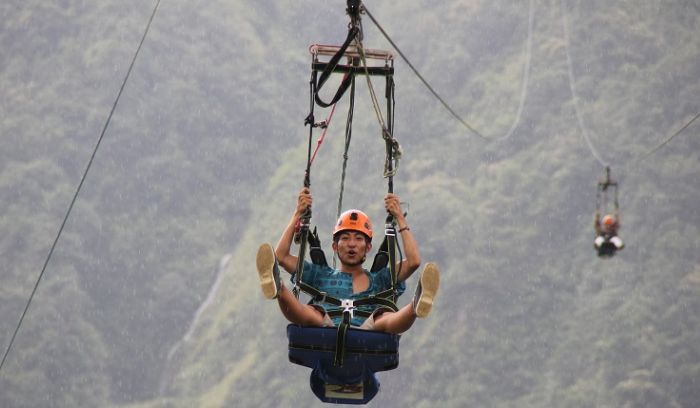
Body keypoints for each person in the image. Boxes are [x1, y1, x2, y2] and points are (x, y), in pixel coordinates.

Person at [256, 187, 439, 334]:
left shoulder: (380, 279)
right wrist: (298, 213)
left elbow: (414, 261)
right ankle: (277, 286)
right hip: (327, 326)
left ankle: (417, 304)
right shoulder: (321, 276)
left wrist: (399, 217)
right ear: (335, 247)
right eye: (345, 238)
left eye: (359, 239)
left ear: (368, 248)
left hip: (368, 328)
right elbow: (280, 256)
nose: (351, 244)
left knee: (384, 318)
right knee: (312, 313)